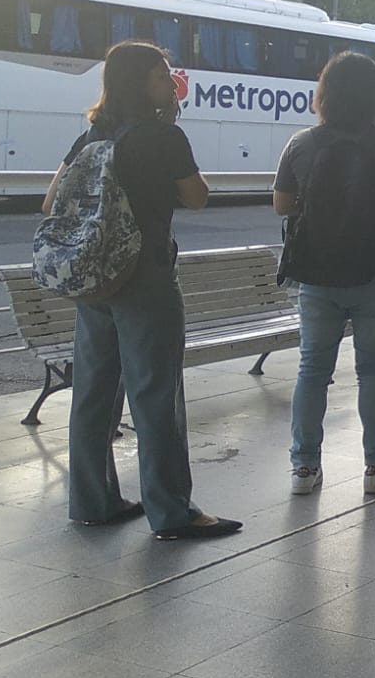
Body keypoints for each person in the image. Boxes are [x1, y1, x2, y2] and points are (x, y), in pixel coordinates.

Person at [43, 41, 240, 540]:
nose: (170, 83)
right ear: (139, 82)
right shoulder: (161, 137)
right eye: (161, 75)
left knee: (93, 394)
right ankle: (172, 511)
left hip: (96, 281)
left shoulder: (93, 134)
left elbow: (52, 201)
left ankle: (93, 501)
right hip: (146, 279)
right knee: (155, 395)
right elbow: (198, 198)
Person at [274, 51, 375, 496]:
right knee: (374, 371)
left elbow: (282, 205)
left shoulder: (302, 144)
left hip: (317, 275)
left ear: (324, 93)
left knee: (312, 371)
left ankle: (304, 471)